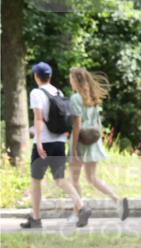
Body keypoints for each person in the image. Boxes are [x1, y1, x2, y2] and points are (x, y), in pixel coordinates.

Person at [20, 62, 91, 229]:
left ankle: (36, 219)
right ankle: (81, 206)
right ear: (50, 76)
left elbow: (38, 119)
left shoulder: (36, 93)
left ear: (36, 76)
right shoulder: (58, 92)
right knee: (59, 178)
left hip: (44, 142)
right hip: (59, 142)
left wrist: (38, 143)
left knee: (36, 180)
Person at [67, 67, 128, 221]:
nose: (70, 81)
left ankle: (78, 213)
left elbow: (77, 125)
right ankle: (117, 200)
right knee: (92, 178)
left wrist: (74, 149)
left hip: (80, 141)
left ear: (76, 81)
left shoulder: (76, 98)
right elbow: (97, 122)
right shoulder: (92, 97)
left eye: (71, 78)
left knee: (74, 180)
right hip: (93, 141)